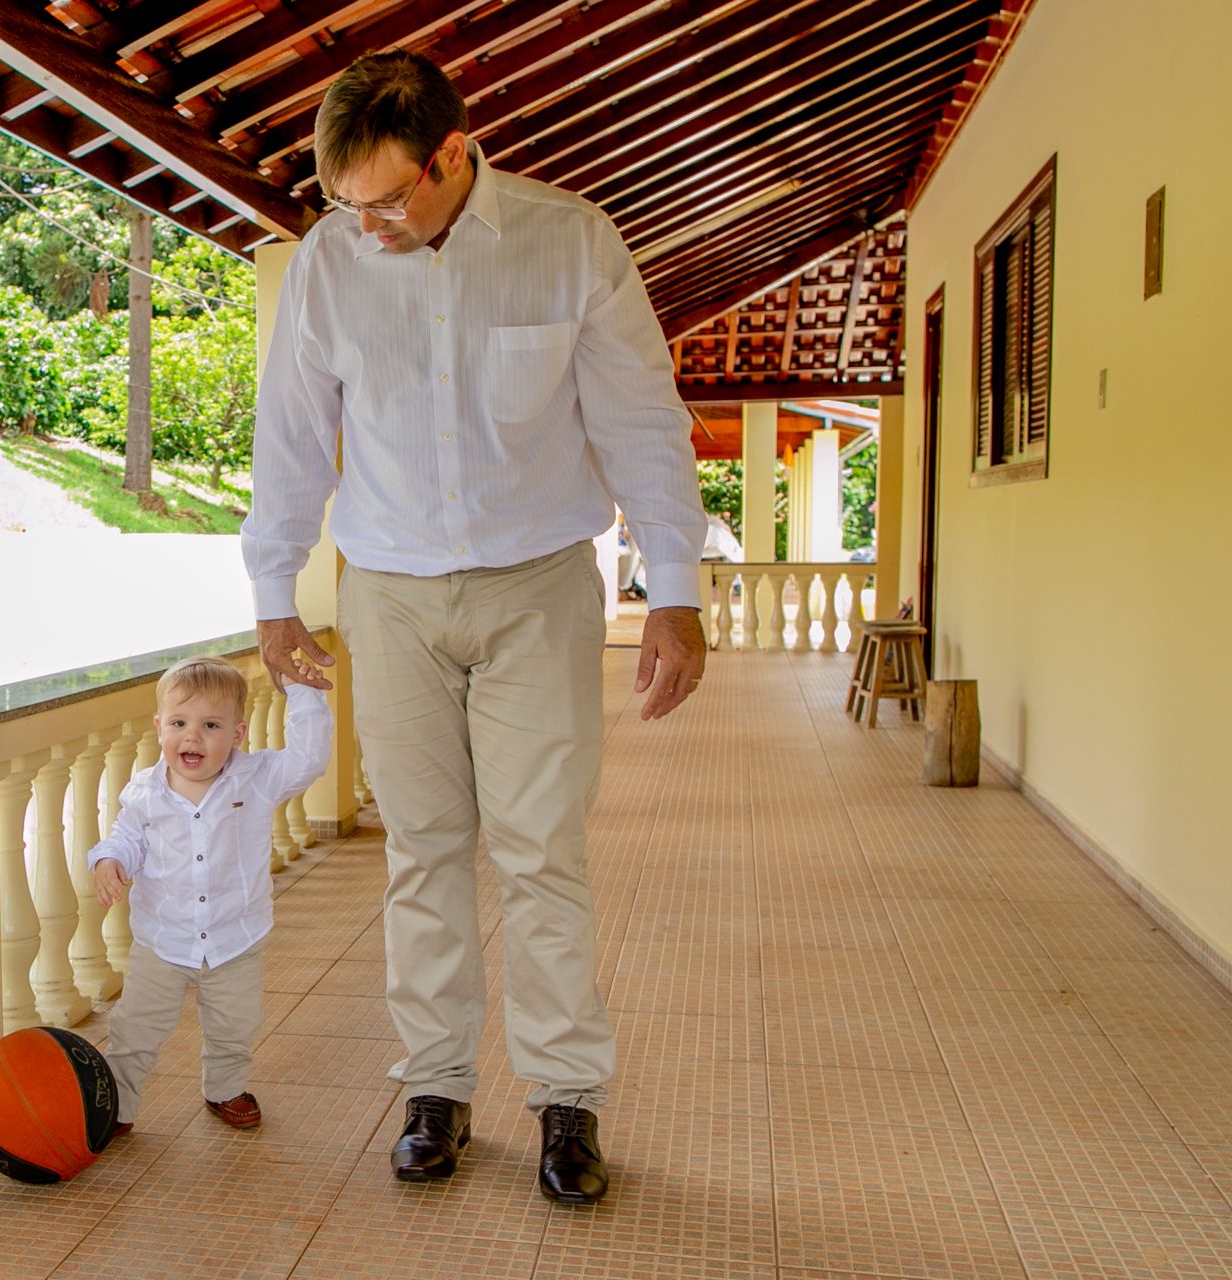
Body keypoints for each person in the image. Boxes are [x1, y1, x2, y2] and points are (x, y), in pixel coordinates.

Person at [240, 51, 707, 1203]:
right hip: (388, 593)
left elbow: (643, 418)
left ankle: (566, 1102)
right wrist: (271, 585)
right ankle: (436, 1086)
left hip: (537, 585)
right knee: (423, 848)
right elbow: (292, 434)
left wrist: (681, 590)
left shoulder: (570, 240)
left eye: (391, 199)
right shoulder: (329, 267)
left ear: (454, 152)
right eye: (348, 205)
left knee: (542, 849)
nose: (371, 226)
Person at [87, 655, 331, 1134]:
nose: (192, 737)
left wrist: (300, 690)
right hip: (163, 938)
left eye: (210, 725)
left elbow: (308, 758)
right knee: (134, 1030)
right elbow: (126, 838)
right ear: (159, 727)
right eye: (179, 723)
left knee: (233, 1026)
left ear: (237, 735)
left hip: (234, 938)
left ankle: (225, 1087)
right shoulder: (145, 792)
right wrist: (109, 860)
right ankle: (117, 1105)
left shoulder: (257, 779)